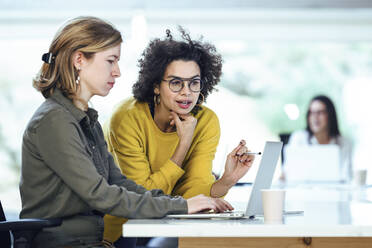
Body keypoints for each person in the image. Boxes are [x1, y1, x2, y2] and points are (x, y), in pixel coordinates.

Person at [19, 17, 253, 248]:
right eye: (111, 61)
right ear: (79, 60)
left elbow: (119, 183)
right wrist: (181, 206)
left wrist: (183, 202)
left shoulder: (86, 120)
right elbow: (101, 194)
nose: (117, 72)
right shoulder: (55, 120)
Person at [103, 27, 255, 246]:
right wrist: (183, 144)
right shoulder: (126, 118)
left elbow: (195, 192)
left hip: (176, 224)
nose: (187, 92)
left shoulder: (206, 121)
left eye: (194, 83)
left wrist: (226, 181)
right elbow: (143, 200)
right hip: (126, 230)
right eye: (176, 83)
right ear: (156, 86)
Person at [286, 95, 352, 182]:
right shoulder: (299, 138)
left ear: (330, 115)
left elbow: (346, 176)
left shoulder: (343, 142)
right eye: (311, 113)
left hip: (334, 193)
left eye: (320, 113)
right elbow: (287, 172)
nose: (315, 117)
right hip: (303, 192)